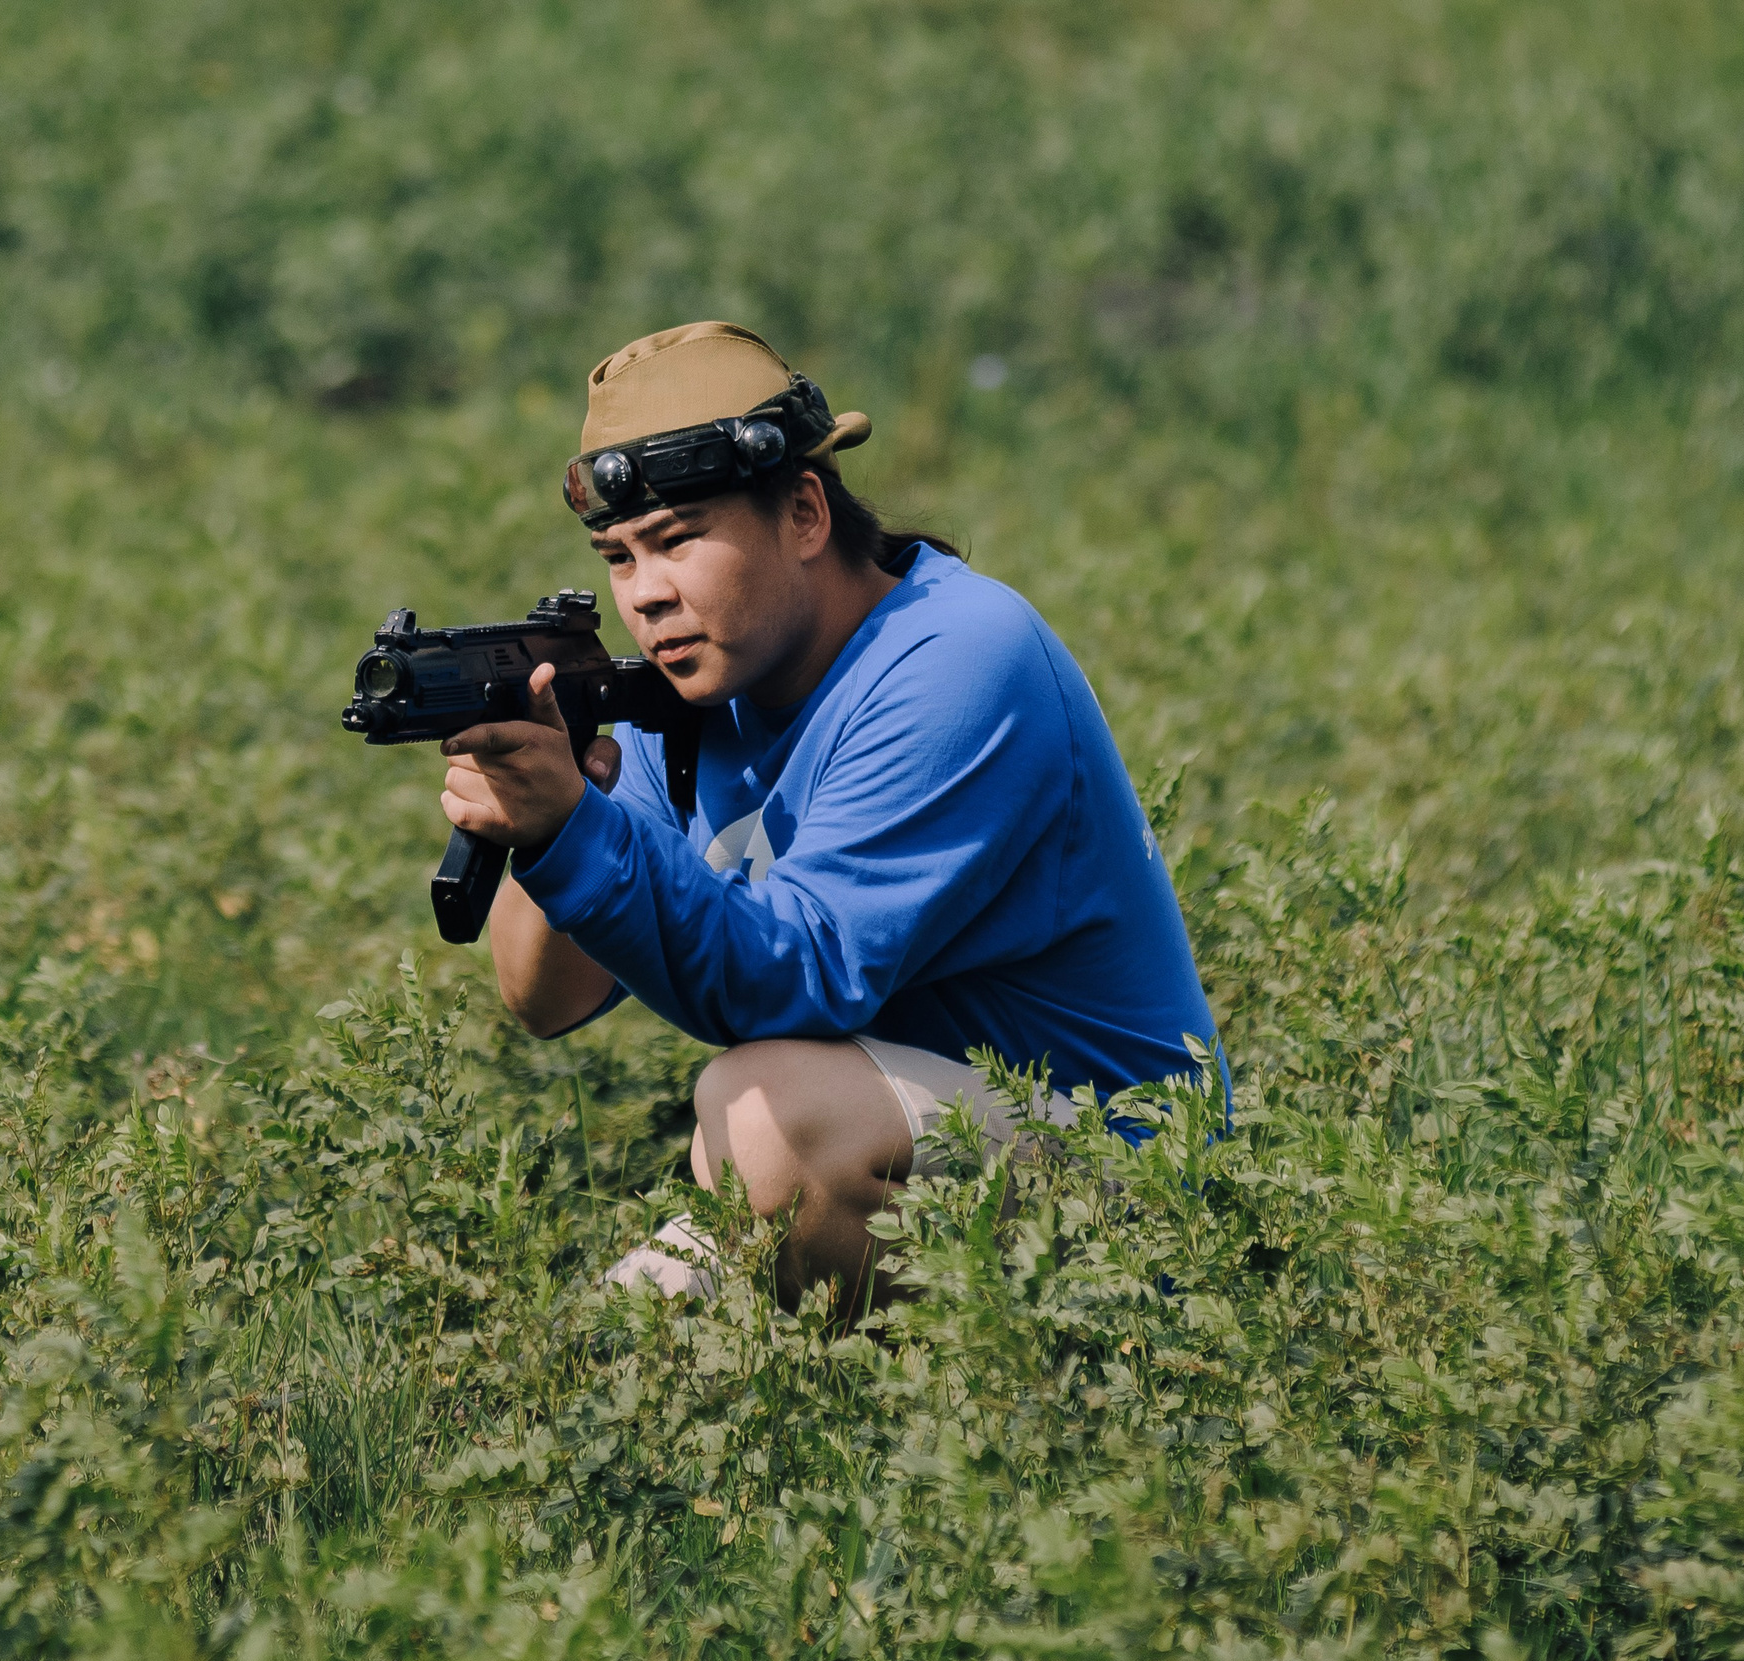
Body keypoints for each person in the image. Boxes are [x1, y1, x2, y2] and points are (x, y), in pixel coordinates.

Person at [435, 322, 1216, 1308]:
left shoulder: (955, 659)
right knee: (605, 1341)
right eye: (619, 557)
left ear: (804, 512)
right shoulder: (685, 686)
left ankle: (1013, 1410)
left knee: (763, 1119)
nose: (649, 596)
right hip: (921, 1128)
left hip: (1137, 1183)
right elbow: (545, 996)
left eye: (680, 540)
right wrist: (555, 808)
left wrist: (575, 835)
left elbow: (798, 981)